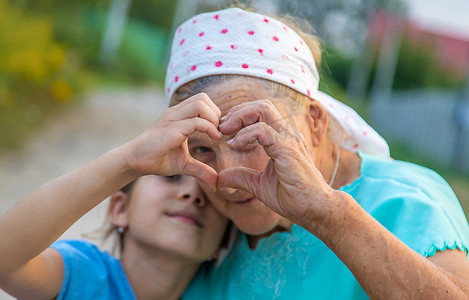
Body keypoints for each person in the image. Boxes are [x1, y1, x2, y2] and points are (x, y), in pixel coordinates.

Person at [164, 7, 469, 299]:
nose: (227, 182)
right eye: (202, 148)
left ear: (314, 122)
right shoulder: (206, 216)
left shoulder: (401, 201)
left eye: (250, 137)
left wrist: (327, 214)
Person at [0, 95, 229, 299]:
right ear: (120, 209)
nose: (191, 194)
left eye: (210, 192)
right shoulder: (84, 276)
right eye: (171, 178)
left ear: (224, 240)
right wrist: (128, 162)